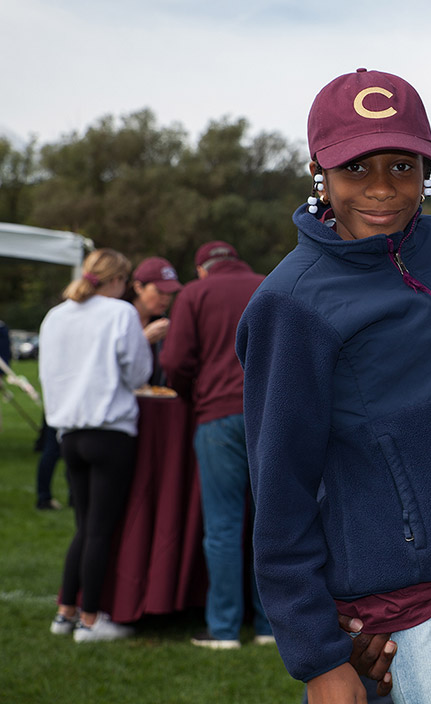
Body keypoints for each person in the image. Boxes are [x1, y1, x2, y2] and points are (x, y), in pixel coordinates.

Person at [236, 68, 431, 703]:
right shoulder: (292, 302)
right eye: (357, 170)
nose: (383, 190)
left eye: (402, 166)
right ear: (318, 173)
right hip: (392, 605)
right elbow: (279, 490)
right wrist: (319, 660)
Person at [159, 240, 270, 649]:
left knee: (222, 526)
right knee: (271, 523)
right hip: (269, 415)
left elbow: (174, 361)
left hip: (217, 416)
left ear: (203, 268)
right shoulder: (268, 284)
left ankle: (223, 629)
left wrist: (191, 395)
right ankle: (270, 626)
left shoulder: (195, 292)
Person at [38, 248, 152, 641]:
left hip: (69, 432)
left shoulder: (56, 315)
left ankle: (65, 611)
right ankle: (90, 619)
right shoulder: (120, 313)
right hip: (110, 431)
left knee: (83, 526)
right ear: (119, 281)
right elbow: (138, 372)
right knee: (99, 529)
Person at [128, 256, 182, 384]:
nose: (166, 298)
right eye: (160, 291)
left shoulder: (164, 323)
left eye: (170, 293)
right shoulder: (119, 318)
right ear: (138, 287)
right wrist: (144, 339)